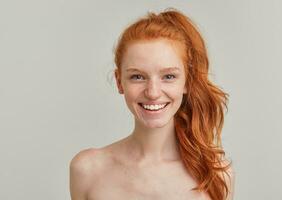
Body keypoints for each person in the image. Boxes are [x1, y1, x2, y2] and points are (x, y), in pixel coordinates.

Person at [70, 8, 235, 200]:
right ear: (119, 81)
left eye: (168, 76)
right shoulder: (87, 170)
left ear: (187, 81)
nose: (153, 92)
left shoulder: (216, 175)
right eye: (138, 77)